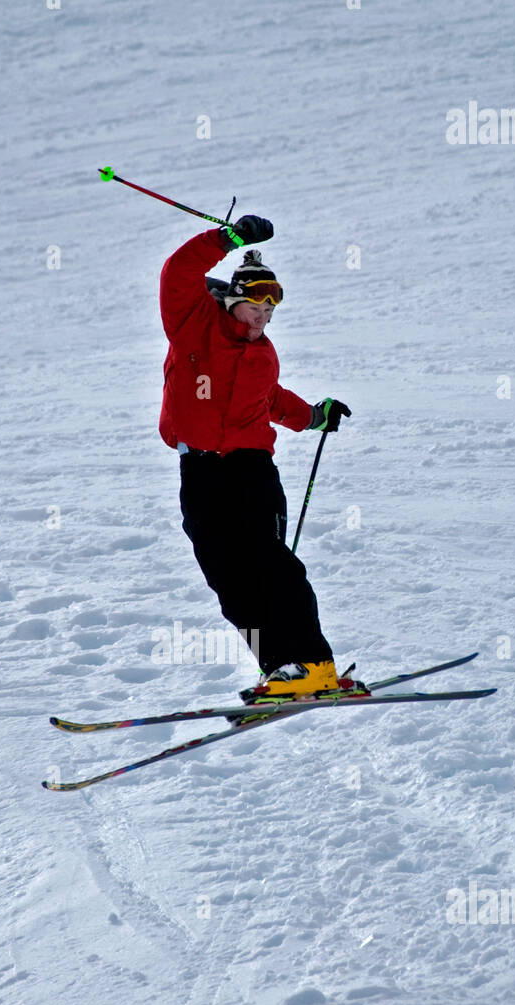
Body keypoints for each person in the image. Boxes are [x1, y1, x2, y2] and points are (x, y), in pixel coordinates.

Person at [158, 214, 365, 703]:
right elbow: (176, 273)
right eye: (256, 309)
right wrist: (227, 239)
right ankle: (282, 669)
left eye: (269, 315)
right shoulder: (194, 326)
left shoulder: (263, 354)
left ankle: (315, 663)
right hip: (200, 471)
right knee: (227, 577)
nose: (262, 321)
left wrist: (315, 416)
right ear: (234, 301)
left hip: (251, 470)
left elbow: (269, 400)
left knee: (270, 563)